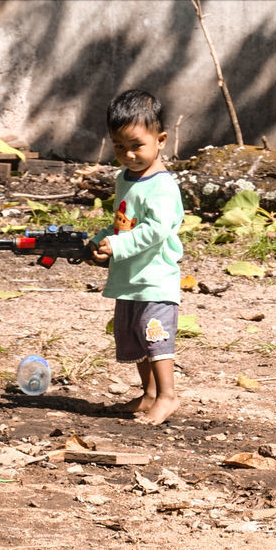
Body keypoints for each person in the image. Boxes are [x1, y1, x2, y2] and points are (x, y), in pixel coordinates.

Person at [89, 88, 184, 425]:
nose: (128, 155)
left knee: (155, 335)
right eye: (119, 147)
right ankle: (149, 394)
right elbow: (123, 222)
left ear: (161, 140)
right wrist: (103, 240)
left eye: (136, 146)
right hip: (130, 277)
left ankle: (168, 396)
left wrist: (119, 246)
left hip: (155, 278)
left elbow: (157, 229)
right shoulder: (124, 179)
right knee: (135, 335)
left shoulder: (162, 185)